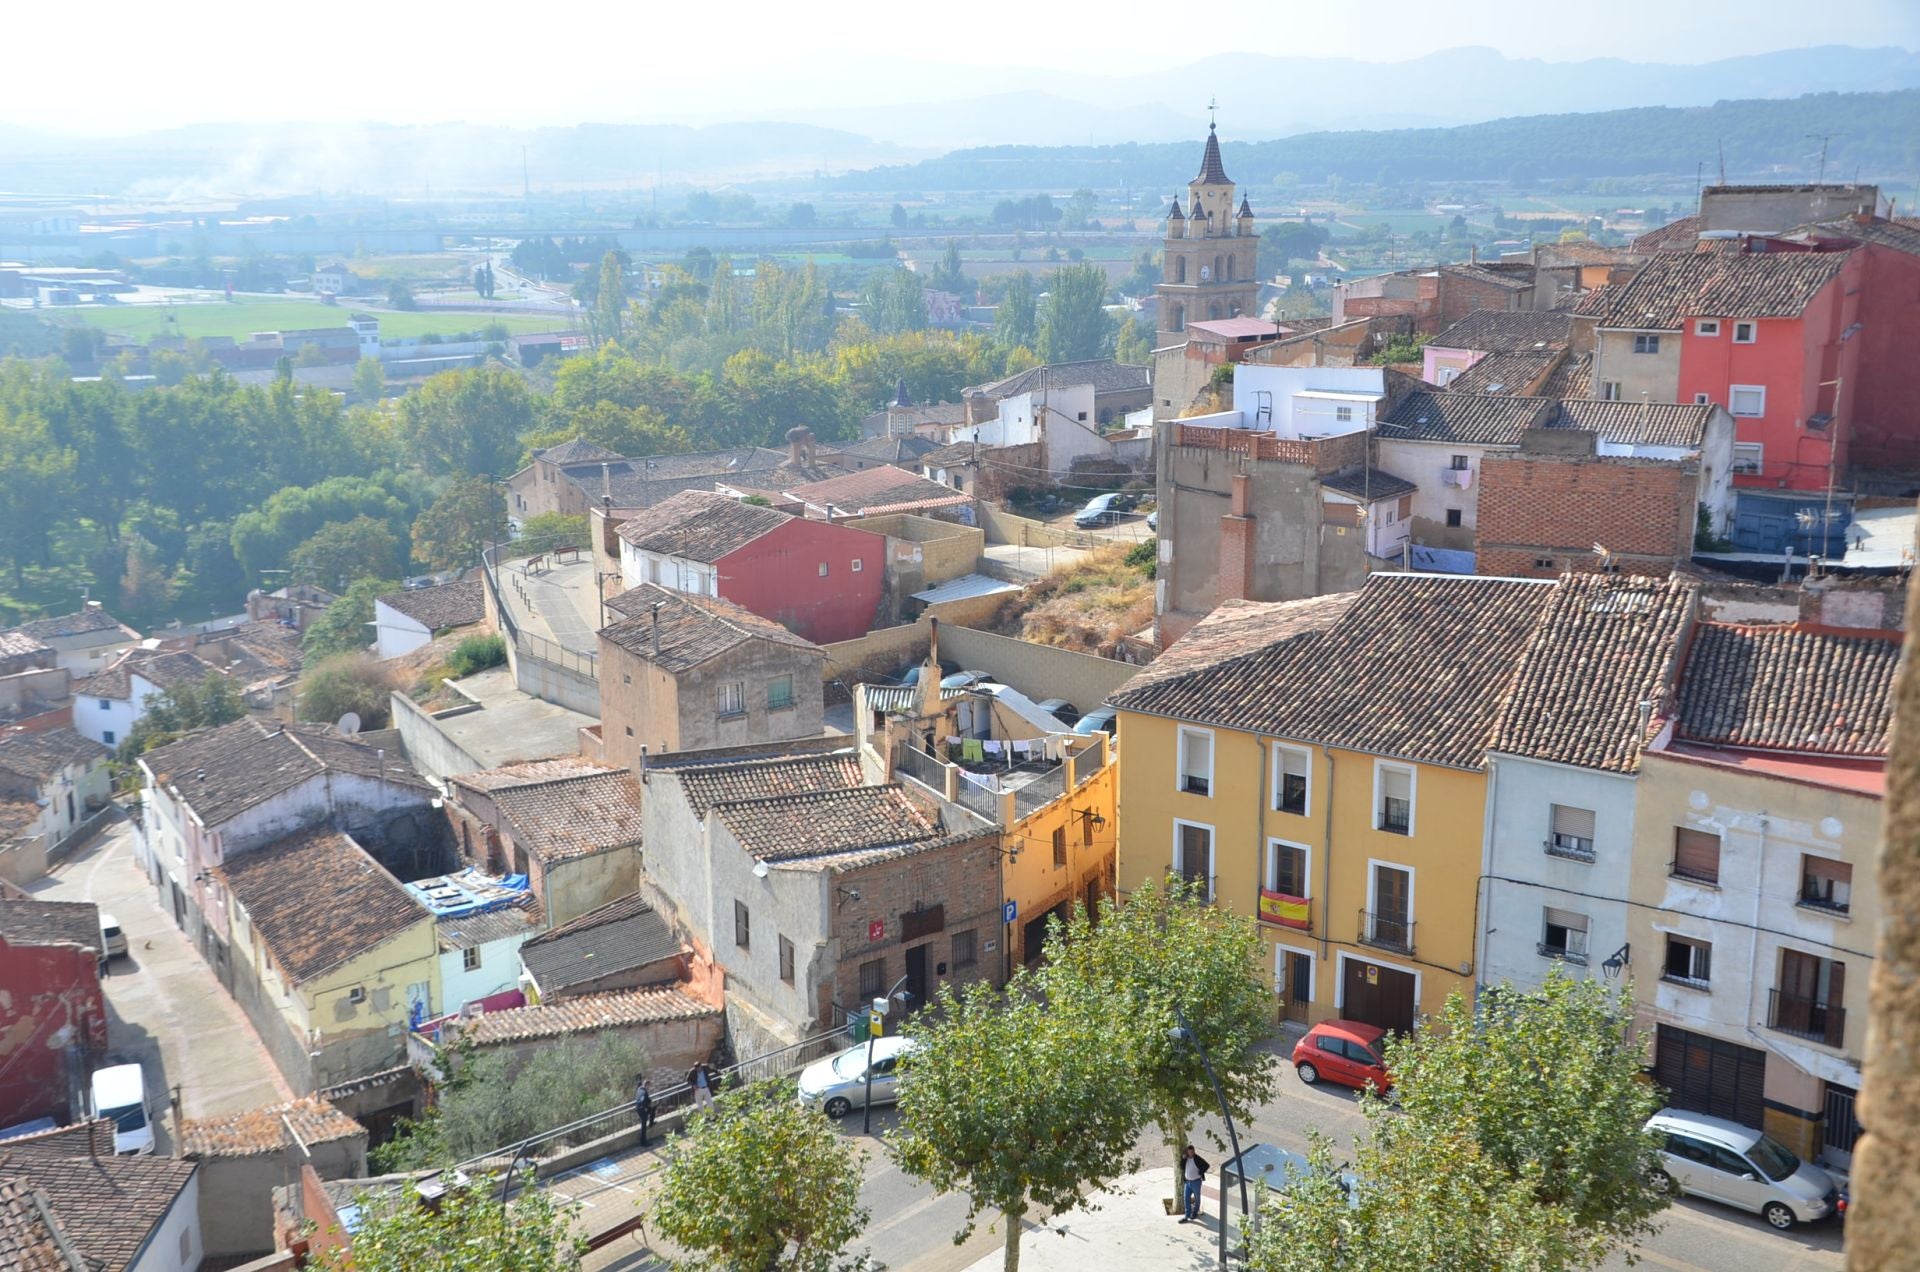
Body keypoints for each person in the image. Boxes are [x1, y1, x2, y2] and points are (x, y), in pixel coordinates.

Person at [1179, 1145, 1210, 1223]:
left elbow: (1207, 1165)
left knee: (1197, 1198)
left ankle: (1195, 1212)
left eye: (1192, 1152)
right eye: (1189, 1152)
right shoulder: (1186, 1159)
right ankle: (1187, 1215)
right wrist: (1183, 1159)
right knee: (1186, 1198)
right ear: (1187, 1152)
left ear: (1194, 1151)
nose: (1191, 1153)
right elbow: (1182, 1167)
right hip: (1187, 1182)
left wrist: (1200, 1172)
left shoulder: (1197, 1158)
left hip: (1196, 1182)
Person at [633, 1076, 654, 1146]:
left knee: (652, 1109)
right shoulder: (644, 1092)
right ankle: (643, 1142)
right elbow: (643, 1101)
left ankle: (651, 1122)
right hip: (641, 1109)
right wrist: (646, 1108)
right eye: (649, 1086)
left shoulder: (639, 1089)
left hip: (639, 1108)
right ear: (646, 1085)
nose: (649, 1088)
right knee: (643, 1126)